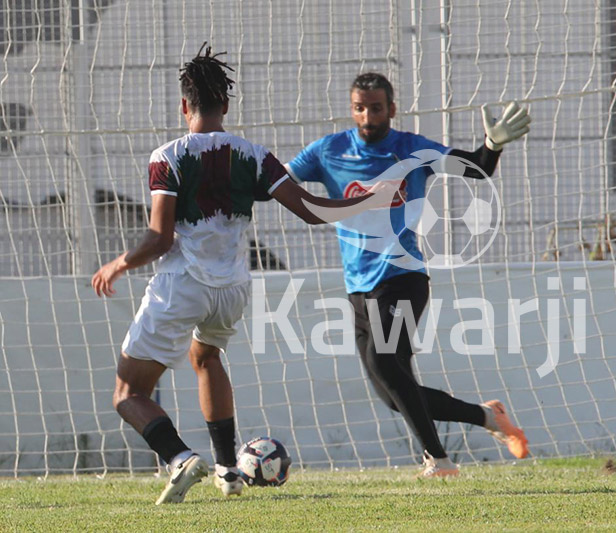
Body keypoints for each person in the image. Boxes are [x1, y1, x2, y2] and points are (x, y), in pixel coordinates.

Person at [92, 45, 398, 504]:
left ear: (184, 105)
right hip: (233, 287)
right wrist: (370, 199)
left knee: (128, 391)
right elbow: (312, 211)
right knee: (206, 359)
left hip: (184, 284)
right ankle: (228, 470)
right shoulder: (254, 155)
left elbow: (159, 238)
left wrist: (118, 263)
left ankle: (178, 458)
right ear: (226, 105)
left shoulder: (168, 156)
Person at [285, 72, 532, 477]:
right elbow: (278, 181)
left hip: (402, 277)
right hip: (357, 289)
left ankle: (440, 461)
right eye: (360, 108)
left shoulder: (411, 149)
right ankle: (489, 418)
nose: (368, 116)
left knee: (385, 364)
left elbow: (477, 168)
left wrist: (492, 145)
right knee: (392, 393)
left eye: (376, 108)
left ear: (392, 109)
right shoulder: (329, 151)